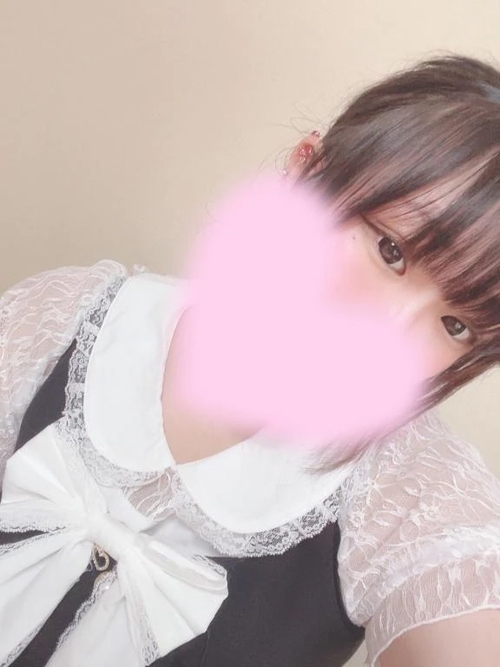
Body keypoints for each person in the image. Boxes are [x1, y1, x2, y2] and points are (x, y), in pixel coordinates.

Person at [1, 54, 500, 667]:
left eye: (456, 325)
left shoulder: (410, 491)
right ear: (306, 169)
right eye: (390, 250)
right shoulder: (64, 317)